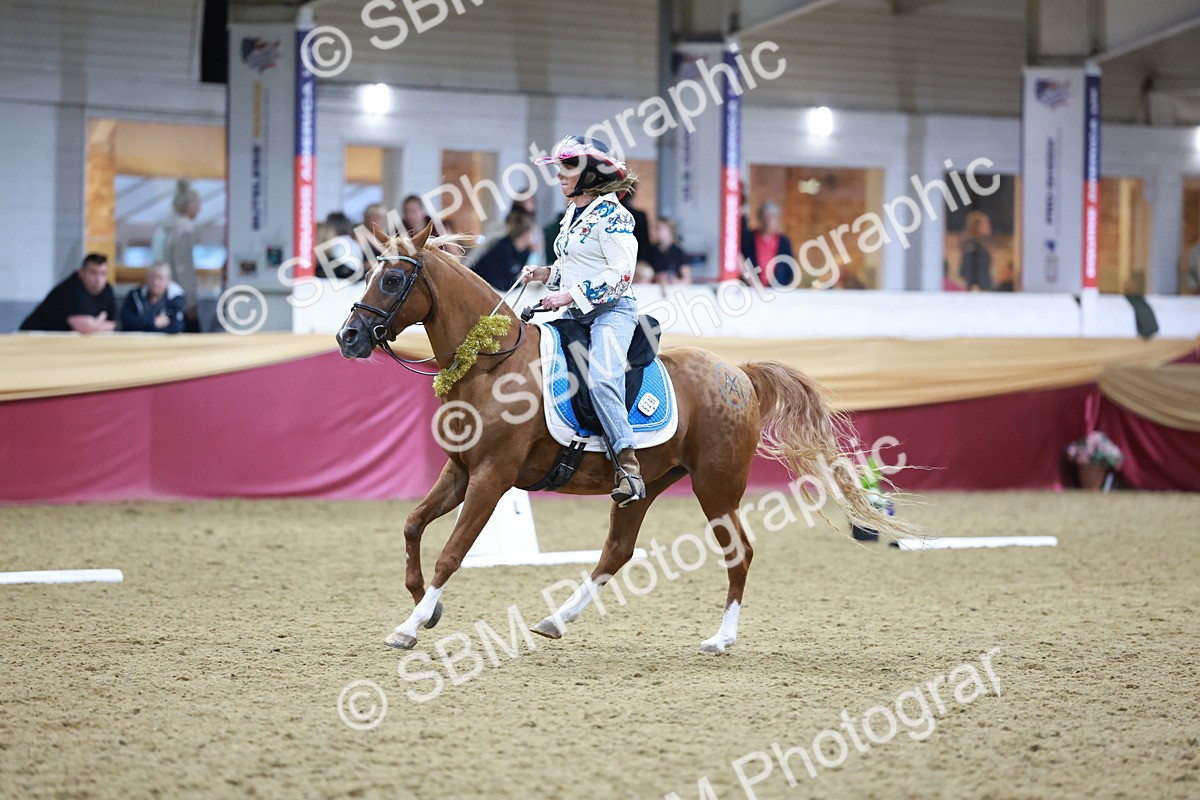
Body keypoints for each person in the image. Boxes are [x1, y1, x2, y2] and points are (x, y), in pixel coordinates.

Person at [522, 135, 644, 506]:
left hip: (612, 313)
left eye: (567, 169)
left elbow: (621, 274)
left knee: (604, 376)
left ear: (589, 175)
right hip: (577, 312)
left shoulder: (616, 216)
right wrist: (546, 274)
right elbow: (574, 268)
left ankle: (627, 464)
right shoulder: (574, 214)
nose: (559, 175)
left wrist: (568, 295)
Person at [20, 253, 117, 333]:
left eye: (103, 273)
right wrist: (101, 318)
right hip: (34, 336)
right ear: (81, 273)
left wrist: (95, 324)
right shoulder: (70, 289)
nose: (98, 279)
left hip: (59, 341)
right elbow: (86, 329)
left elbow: (112, 325)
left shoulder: (107, 290)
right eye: (93, 273)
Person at [152, 179, 202, 331]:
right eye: (198, 205)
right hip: (179, 298)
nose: (199, 210)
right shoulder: (185, 229)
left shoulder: (163, 226)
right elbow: (183, 269)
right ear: (189, 206)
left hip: (160, 293)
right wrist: (190, 302)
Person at [471, 212, 536, 290]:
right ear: (525, 234)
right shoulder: (502, 248)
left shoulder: (525, 252)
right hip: (479, 284)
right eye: (531, 232)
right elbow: (496, 279)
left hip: (498, 289)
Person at [119, 263, 185, 333]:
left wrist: (142, 325)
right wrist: (153, 323)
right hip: (137, 341)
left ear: (167, 281)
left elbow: (176, 327)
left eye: (160, 278)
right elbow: (127, 322)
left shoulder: (175, 297)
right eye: (152, 277)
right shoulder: (134, 295)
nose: (155, 282)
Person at [742, 201, 794, 287]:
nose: (769, 221)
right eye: (766, 217)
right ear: (760, 218)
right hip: (752, 289)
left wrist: (781, 286)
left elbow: (789, 267)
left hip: (776, 290)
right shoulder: (748, 239)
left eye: (772, 217)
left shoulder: (784, 242)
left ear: (777, 219)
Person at [959, 210, 993, 291]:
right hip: (977, 289)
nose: (989, 227)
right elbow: (966, 270)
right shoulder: (972, 247)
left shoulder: (983, 246)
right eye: (986, 224)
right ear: (977, 227)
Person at [651, 217, 691, 286]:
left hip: (673, 289)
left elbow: (687, 279)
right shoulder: (649, 251)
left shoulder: (679, 253)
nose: (654, 232)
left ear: (670, 231)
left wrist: (676, 282)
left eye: (659, 229)